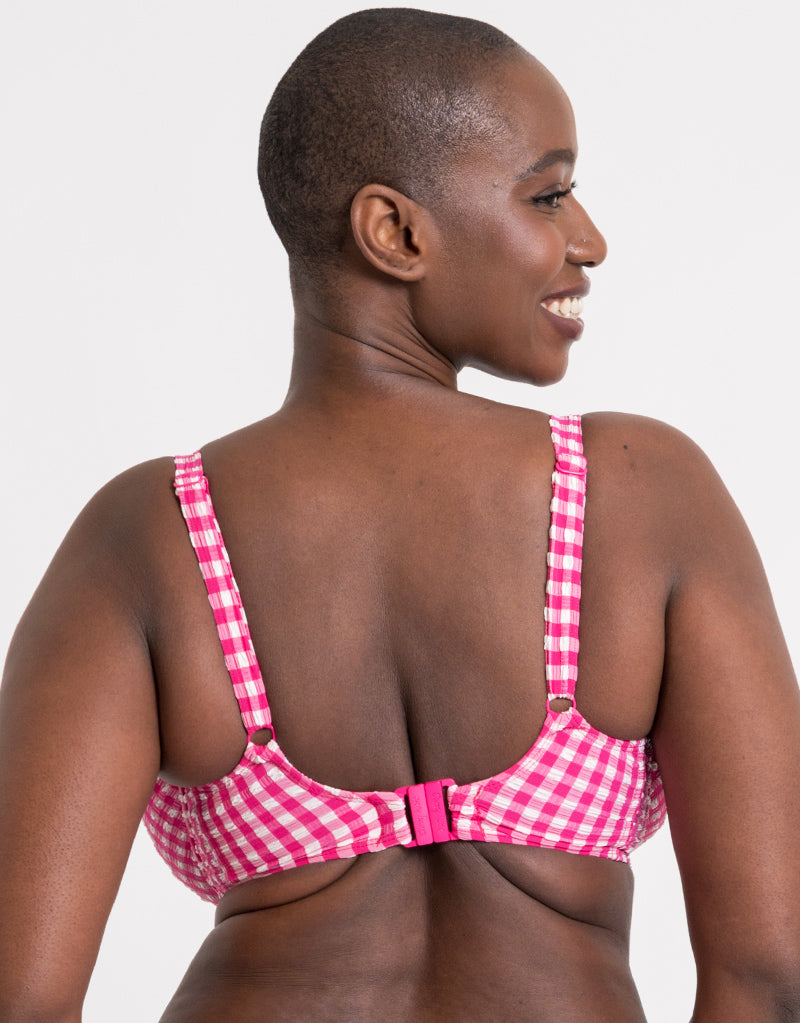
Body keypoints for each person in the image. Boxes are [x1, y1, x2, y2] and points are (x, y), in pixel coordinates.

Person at [1, 7, 799, 1021]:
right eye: (548, 194)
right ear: (395, 232)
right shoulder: (642, 494)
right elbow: (766, 974)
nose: (588, 240)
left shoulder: (150, 535)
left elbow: (20, 997)